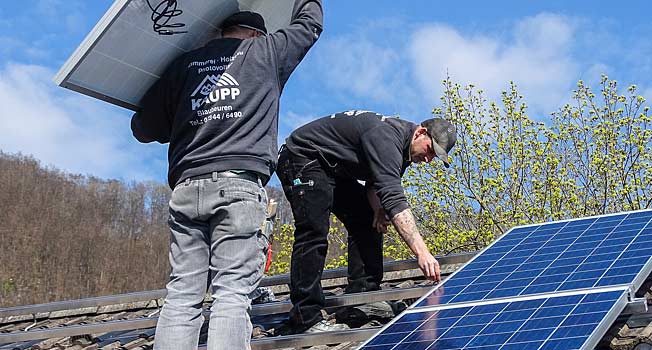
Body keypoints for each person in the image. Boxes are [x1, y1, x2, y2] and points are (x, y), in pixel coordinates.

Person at [130, 2, 322, 349]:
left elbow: (143, 128)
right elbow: (309, 26)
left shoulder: (184, 64)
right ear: (253, 34)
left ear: (220, 32)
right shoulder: (265, 51)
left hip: (187, 188)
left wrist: (188, 109)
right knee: (231, 292)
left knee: (182, 296)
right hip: (238, 187)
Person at [277, 110, 457, 334]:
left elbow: (374, 183)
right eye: (430, 150)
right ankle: (305, 317)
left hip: (332, 168)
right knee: (314, 231)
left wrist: (377, 210)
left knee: (366, 218)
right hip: (303, 157)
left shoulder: (403, 151)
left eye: (435, 157)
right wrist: (422, 252)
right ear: (420, 133)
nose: (428, 160)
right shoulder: (386, 136)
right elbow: (393, 196)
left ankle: (361, 298)